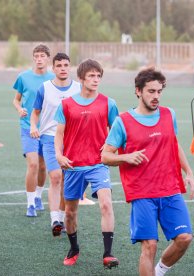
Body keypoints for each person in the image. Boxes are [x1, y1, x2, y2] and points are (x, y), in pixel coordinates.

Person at [101, 68, 194, 276]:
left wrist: (188, 171)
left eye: (159, 92)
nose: (156, 96)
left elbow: (174, 144)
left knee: (184, 238)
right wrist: (125, 157)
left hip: (170, 188)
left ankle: (159, 271)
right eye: (151, 91)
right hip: (142, 192)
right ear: (138, 91)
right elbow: (105, 156)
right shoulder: (123, 121)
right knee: (149, 245)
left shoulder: (169, 115)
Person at [54, 59, 120, 269]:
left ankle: (108, 254)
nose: (95, 79)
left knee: (106, 203)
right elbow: (59, 133)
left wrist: (111, 149)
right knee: (70, 213)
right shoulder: (66, 104)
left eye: (98, 76)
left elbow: (117, 132)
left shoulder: (108, 103)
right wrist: (59, 155)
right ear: (81, 79)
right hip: (72, 165)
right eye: (91, 76)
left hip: (98, 164)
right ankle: (74, 248)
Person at [30, 53, 81, 236]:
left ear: (70, 67)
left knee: (67, 182)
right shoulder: (44, 88)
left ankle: (62, 217)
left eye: (66, 65)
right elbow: (35, 112)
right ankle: (54, 221)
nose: (62, 68)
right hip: (50, 138)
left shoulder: (78, 88)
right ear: (53, 68)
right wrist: (34, 126)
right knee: (56, 177)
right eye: (59, 65)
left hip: (72, 140)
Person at [12, 44, 55, 217]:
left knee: (43, 166)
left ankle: (38, 196)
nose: (39, 59)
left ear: (47, 58)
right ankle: (30, 204)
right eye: (36, 56)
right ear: (33, 58)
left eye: (42, 56)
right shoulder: (23, 77)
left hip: (46, 128)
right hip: (27, 127)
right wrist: (19, 109)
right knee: (33, 164)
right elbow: (16, 100)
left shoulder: (53, 78)